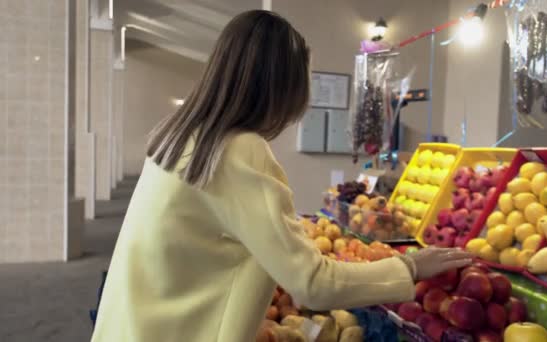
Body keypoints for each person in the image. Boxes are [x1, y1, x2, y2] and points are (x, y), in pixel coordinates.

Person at [90, 10, 472, 342]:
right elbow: (313, 284)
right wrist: (410, 267)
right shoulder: (239, 150)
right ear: (283, 88)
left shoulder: (182, 135)